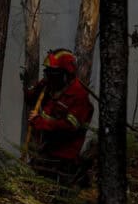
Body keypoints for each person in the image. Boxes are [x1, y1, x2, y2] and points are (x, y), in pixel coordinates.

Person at [24, 49, 94, 185]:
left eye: (53, 74)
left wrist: (40, 122)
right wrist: (40, 86)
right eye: (47, 72)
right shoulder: (51, 87)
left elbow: (69, 126)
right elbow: (29, 98)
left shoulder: (78, 97)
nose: (49, 77)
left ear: (65, 75)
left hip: (63, 159)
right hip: (46, 150)